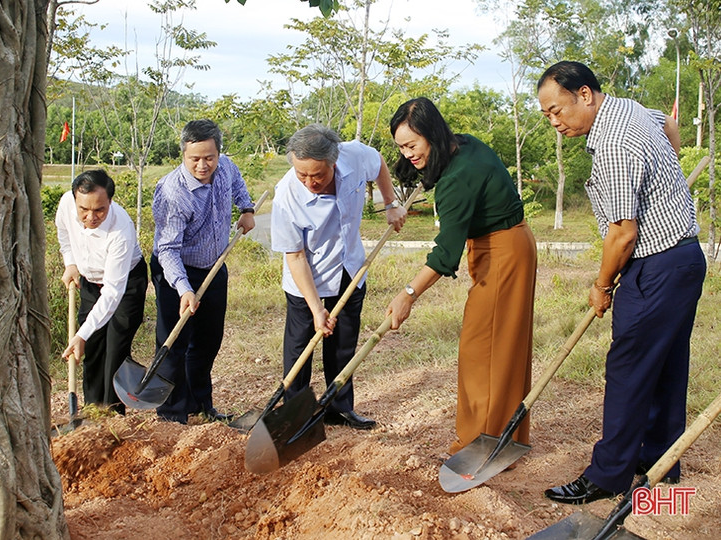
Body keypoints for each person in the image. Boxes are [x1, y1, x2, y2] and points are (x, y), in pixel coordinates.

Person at [537, 61, 706, 504]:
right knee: (666, 365)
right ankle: (660, 462)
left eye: (557, 111)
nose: (555, 123)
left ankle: (608, 476)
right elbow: (667, 123)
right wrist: (669, 182)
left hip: (654, 266)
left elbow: (622, 233)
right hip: (686, 258)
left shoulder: (612, 144)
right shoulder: (629, 109)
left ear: (585, 95)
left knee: (628, 369)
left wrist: (601, 284)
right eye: (547, 116)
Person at [386, 97, 537, 454]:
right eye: (401, 147)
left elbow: (444, 255)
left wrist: (407, 294)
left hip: (503, 253)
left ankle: (477, 445)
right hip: (507, 245)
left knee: (483, 350)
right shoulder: (464, 145)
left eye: (411, 145)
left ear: (432, 134)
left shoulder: (458, 178)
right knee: (502, 347)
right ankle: (505, 440)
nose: (407, 153)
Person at [271, 124, 407, 430]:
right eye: (302, 174)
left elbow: (380, 164)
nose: (309, 182)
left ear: (334, 162)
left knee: (344, 343)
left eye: (317, 175)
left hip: (349, 267)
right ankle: (296, 414)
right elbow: (295, 256)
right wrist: (317, 307)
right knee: (299, 349)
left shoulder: (354, 155)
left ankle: (339, 407)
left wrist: (391, 203)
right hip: (306, 279)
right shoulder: (286, 197)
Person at [151, 119, 256, 424]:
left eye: (209, 158)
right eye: (194, 158)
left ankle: (200, 405)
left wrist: (246, 209)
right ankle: (172, 414)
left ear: (218, 153)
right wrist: (183, 288)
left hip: (214, 266)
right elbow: (168, 249)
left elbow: (237, 184)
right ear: (183, 154)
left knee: (208, 341)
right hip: (176, 271)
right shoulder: (173, 192)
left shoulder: (226, 168)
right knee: (174, 343)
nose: (202, 165)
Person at [56, 169, 148, 415]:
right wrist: (71, 263)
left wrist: (81, 334)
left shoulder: (121, 230)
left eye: (99, 210)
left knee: (115, 346)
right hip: (89, 280)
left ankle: (112, 414)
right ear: (75, 199)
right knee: (93, 347)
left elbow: (112, 293)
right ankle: (91, 411)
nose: (90, 217)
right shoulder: (66, 204)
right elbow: (64, 234)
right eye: (83, 210)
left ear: (110, 202)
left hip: (125, 285)